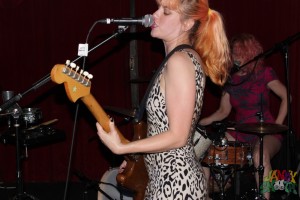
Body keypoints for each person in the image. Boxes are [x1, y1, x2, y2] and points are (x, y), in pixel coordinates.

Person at [96, 0, 231, 199]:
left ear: (187, 24)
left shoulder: (180, 61)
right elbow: (162, 128)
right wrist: (138, 158)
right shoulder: (176, 58)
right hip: (164, 181)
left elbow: (178, 136)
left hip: (176, 185)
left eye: (166, 12)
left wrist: (124, 147)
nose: (155, 14)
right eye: (158, 8)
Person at [199, 33, 288, 199]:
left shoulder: (264, 74)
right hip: (241, 130)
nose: (234, 57)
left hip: (267, 130)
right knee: (208, 151)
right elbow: (223, 112)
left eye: (238, 53)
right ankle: (205, 196)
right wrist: (198, 122)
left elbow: (286, 97)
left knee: (259, 156)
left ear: (249, 53)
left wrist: (277, 125)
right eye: (233, 53)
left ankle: (265, 197)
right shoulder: (231, 81)